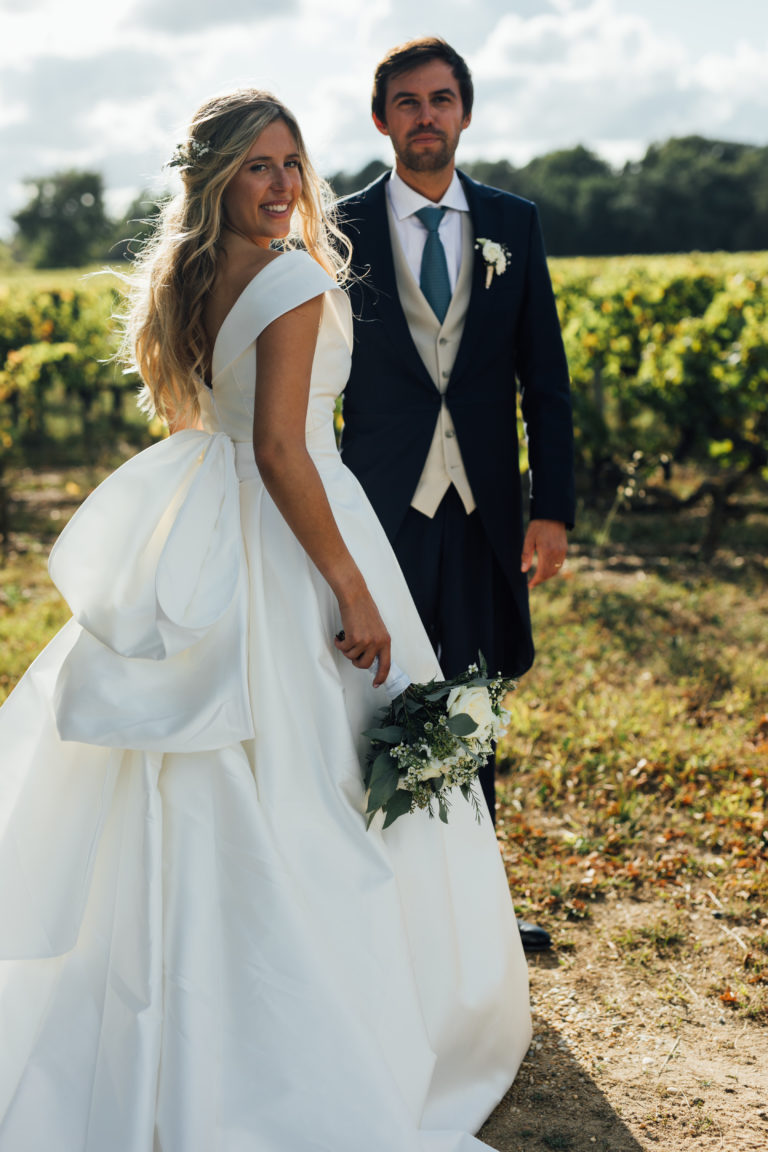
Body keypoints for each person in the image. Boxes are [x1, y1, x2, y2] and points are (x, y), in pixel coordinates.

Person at [0, 89, 532, 1151]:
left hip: (209, 521)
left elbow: (216, 425)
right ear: (218, 178)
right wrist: (350, 584)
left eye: (292, 162)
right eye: (258, 166)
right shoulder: (291, 276)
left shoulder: (187, 275)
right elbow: (285, 451)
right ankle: (337, 1007)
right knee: (315, 776)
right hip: (290, 530)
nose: (283, 183)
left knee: (211, 768)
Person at [338, 38, 575, 949]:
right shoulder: (340, 226)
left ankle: (475, 906)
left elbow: (543, 379)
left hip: (485, 507)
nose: (425, 116)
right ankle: (381, 904)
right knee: (377, 694)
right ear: (380, 119)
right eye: (407, 102)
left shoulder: (513, 223)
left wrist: (550, 507)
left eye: (441, 100)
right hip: (379, 504)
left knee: (474, 698)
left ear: (465, 113)